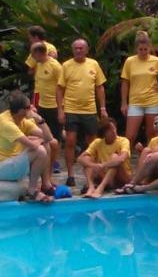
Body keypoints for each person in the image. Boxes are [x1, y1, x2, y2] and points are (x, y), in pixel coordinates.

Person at [57, 38, 108, 187]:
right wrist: (60, 109)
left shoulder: (94, 64)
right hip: (71, 109)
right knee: (70, 141)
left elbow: (100, 87)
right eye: (76, 48)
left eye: (81, 48)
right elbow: (60, 88)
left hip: (90, 110)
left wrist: (103, 108)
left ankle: (93, 174)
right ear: (73, 50)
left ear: (86, 50)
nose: (78, 50)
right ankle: (71, 175)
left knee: (92, 143)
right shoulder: (66, 66)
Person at [0, 91, 54, 203]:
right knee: (40, 151)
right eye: (28, 107)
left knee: (45, 145)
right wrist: (38, 140)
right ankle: (32, 191)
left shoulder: (22, 120)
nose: (32, 108)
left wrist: (40, 120)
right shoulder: (6, 123)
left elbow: (49, 137)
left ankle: (44, 183)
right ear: (20, 111)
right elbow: (33, 145)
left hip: (12, 162)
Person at [119, 31, 158, 147]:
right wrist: (124, 103)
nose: (143, 52)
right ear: (136, 49)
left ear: (149, 48)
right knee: (130, 136)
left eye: (146, 49)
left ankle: (150, 161)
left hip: (153, 101)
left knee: (152, 135)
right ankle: (125, 161)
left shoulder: (156, 61)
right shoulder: (130, 61)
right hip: (135, 102)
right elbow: (125, 82)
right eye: (141, 49)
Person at [29, 41, 64, 171]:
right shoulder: (39, 65)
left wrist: (61, 108)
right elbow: (38, 85)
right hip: (41, 105)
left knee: (56, 135)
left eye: (33, 54)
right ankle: (44, 160)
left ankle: (54, 162)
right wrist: (34, 104)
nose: (32, 57)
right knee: (41, 134)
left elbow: (63, 86)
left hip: (54, 106)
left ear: (39, 53)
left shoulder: (55, 66)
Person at [121, 116, 158, 193]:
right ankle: (138, 180)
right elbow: (148, 159)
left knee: (157, 153)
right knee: (146, 150)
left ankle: (138, 181)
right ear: (157, 133)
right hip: (154, 166)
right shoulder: (154, 140)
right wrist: (140, 151)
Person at [79, 118, 131, 198]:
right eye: (110, 130)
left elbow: (122, 159)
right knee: (87, 159)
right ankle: (91, 186)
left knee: (115, 157)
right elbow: (80, 158)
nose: (114, 131)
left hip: (121, 178)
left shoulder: (124, 140)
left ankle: (101, 188)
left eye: (114, 128)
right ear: (104, 133)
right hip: (105, 176)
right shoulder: (97, 142)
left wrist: (103, 165)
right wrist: (93, 165)